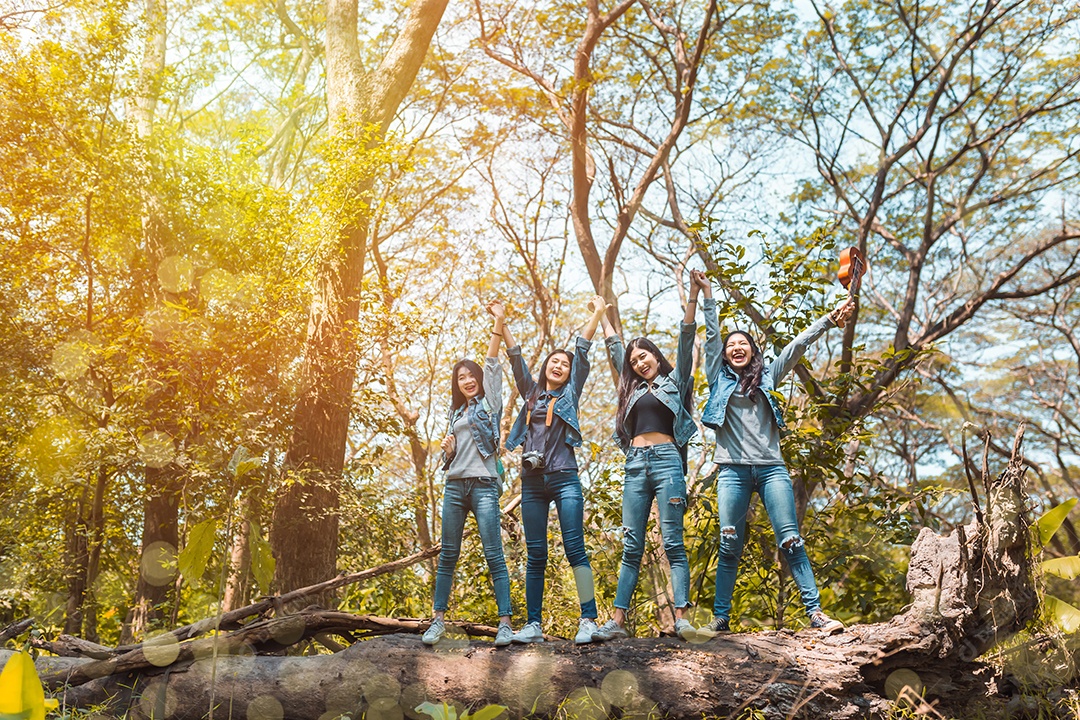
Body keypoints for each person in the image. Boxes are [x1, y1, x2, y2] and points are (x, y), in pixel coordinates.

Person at [697, 285, 854, 637]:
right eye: (731, 345)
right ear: (725, 354)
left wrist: (830, 319)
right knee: (728, 542)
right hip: (732, 470)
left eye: (744, 344)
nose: (736, 348)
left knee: (790, 540)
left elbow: (798, 345)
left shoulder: (767, 375)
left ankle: (816, 613)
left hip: (771, 468)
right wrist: (707, 293)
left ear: (753, 351)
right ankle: (720, 618)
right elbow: (710, 336)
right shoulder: (715, 377)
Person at [591, 270, 712, 642]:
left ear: (656, 357)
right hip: (635, 466)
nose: (640, 362)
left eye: (645, 356)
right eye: (635, 360)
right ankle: (616, 623)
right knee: (632, 544)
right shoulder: (629, 388)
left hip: (667, 462)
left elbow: (686, 336)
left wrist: (693, 294)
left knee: (673, 541)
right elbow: (615, 349)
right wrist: (602, 313)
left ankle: (682, 619)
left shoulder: (675, 382)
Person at [497, 295, 610, 644]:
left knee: (575, 547)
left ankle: (588, 620)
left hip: (565, 478)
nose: (559, 366)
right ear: (546, 366)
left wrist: (597, 313)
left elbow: (583, 350)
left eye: (564, 363)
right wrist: (502, 321)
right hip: (531, 483)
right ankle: (533, 625)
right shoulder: (531, 394)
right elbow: (515, 359)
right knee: (536, 555)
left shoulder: (571, 392)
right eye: (554, 362)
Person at [422, 301, 513, 647]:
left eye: (471, 375)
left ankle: (505, 624)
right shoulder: (455, 411)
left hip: (484, 485)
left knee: (494, 553)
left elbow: (492, 365)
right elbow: (454, 452)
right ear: (456, 384)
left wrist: (499, 322)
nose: (468, 380)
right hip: (454, 486)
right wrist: (447, 451)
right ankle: (437, 621)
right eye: (461, 377)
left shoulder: (488, 403)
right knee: (448, 554)